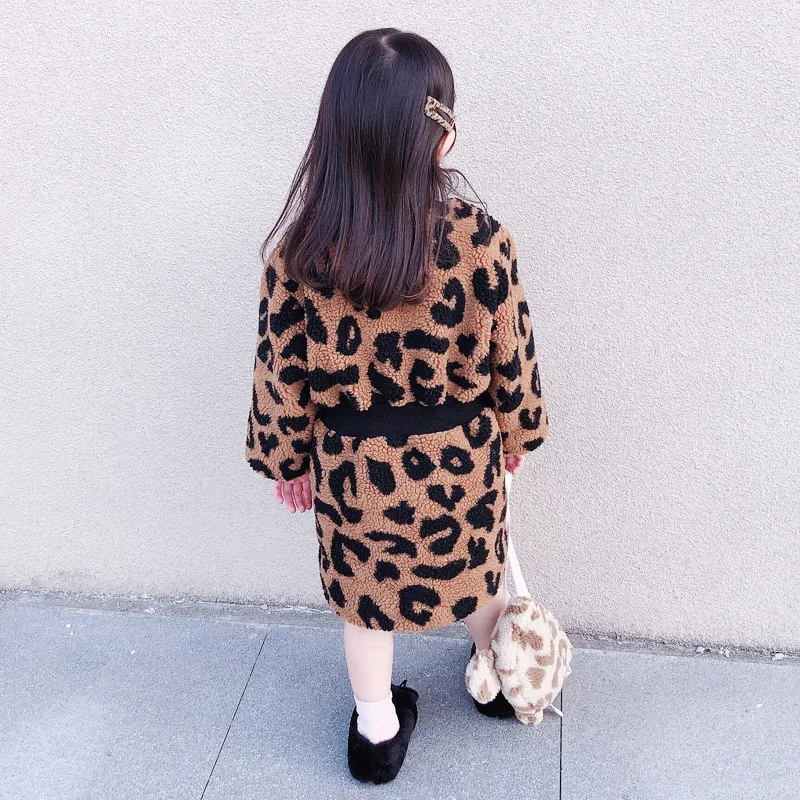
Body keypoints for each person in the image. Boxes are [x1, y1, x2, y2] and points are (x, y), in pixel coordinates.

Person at [245, 28, 549, 784]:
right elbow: (513, 353)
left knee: (365, 608)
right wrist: (517, 431)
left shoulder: (301, 255)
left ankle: (376, 732)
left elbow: (280, 373)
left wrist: (287, 460)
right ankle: (498, 676)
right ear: (439, 135)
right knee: (475, 575)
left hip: (356, 476)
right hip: (460, 463)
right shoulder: (483, 243)